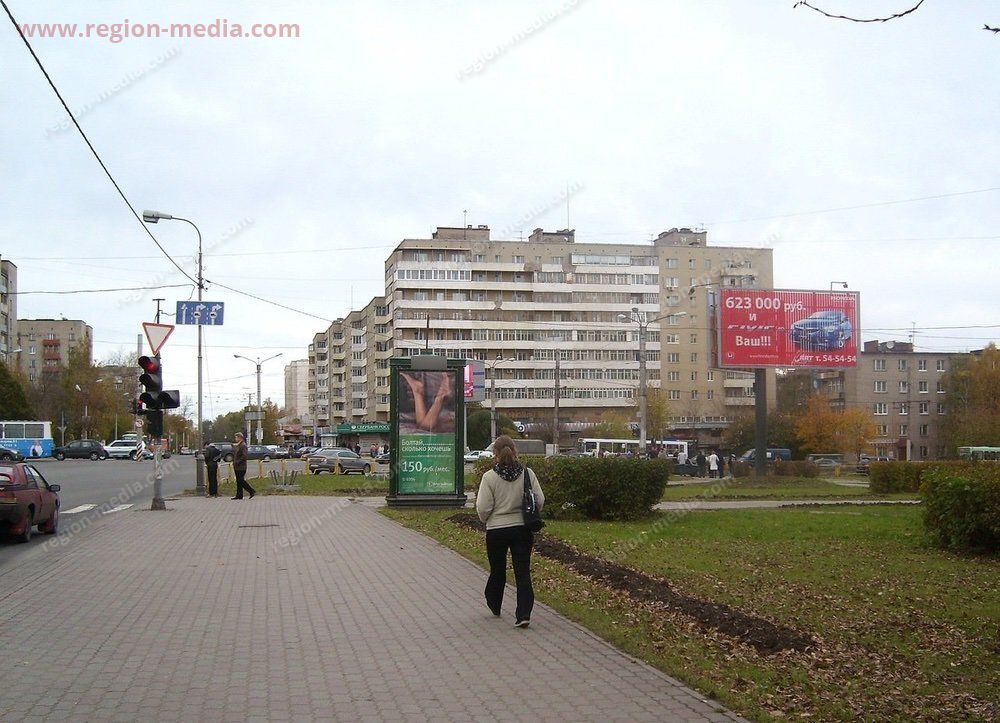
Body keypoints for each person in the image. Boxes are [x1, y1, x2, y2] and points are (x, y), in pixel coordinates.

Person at [476, 435, 544, 628]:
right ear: (515, 451)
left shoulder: (489, 477)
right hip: (521, 529)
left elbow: (483, 507)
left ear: (495, 453)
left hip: (496, 531)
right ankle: (523, 614)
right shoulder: (527, 474)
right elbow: (539, 499)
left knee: (497, 570)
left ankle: (494, 603)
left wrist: (487, 519)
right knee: (522, 572)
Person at [231, 432, 254, 500]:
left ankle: (251, 491)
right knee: (238, 481)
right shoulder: (238, 445)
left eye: (236, 437)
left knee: (241, 480)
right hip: (237, 466)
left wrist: (237, 462)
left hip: (241, 466)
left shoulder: (243, 445)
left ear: (240, 438)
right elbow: (236, 453)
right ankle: (239, 495)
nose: (235, 438)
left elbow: (244, 456)